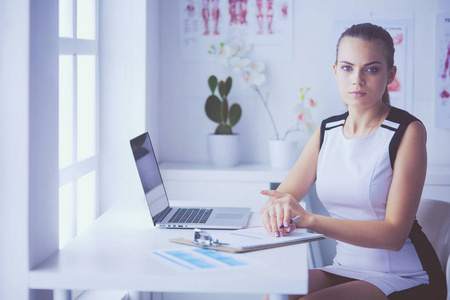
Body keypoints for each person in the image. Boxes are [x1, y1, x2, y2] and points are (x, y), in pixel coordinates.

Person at [260, 23, 446, 299]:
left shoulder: (408, 130)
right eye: (347, 67)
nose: (357, 79)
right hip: (346, 267)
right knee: (274, 292)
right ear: (335, 71)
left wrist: (311, 220)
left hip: (406, 276)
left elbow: (394, 235)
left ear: (390, 74)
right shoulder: (327, 131)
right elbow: (282, 196)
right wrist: (276, 211)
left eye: (371, 69)